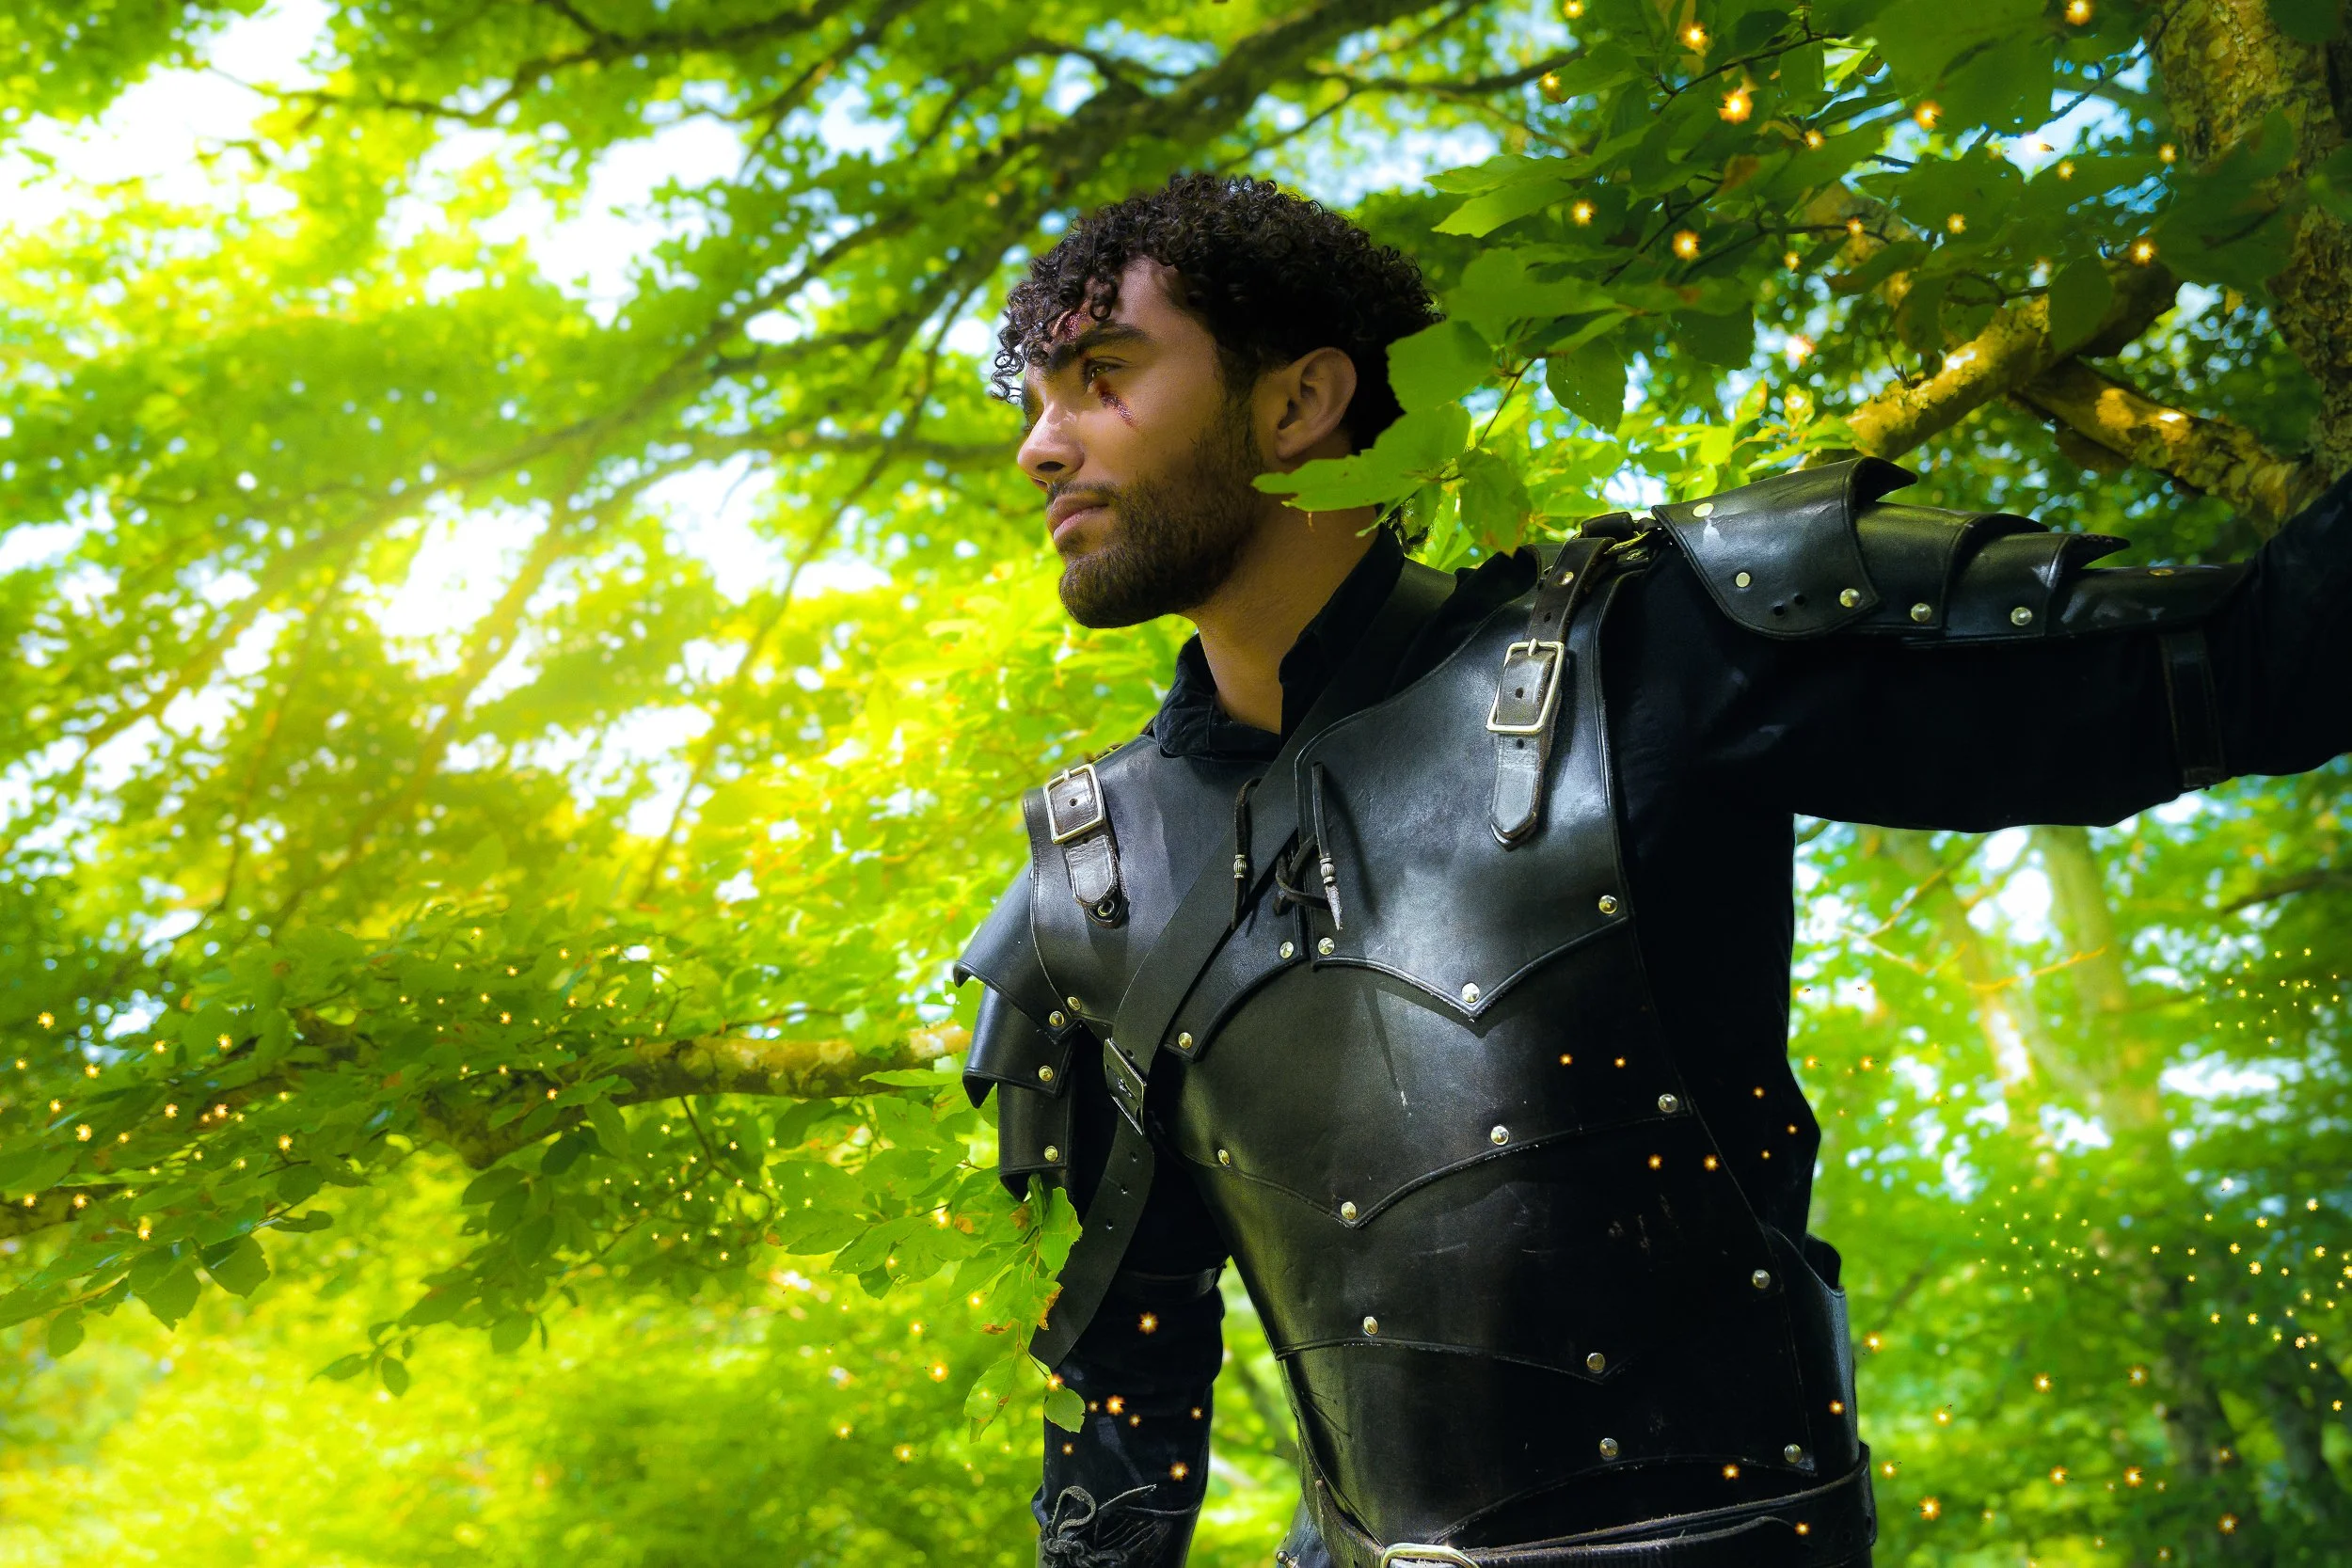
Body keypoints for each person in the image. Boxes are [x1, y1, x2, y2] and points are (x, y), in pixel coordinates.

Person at [953, 171, 2352, 1568]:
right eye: (1035, 403)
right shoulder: (1091, 881)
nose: (1041, 445)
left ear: (1300, 401)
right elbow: (1121, 1400)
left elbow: (2241, 669)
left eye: (1103, 378)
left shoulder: (1648, 655)